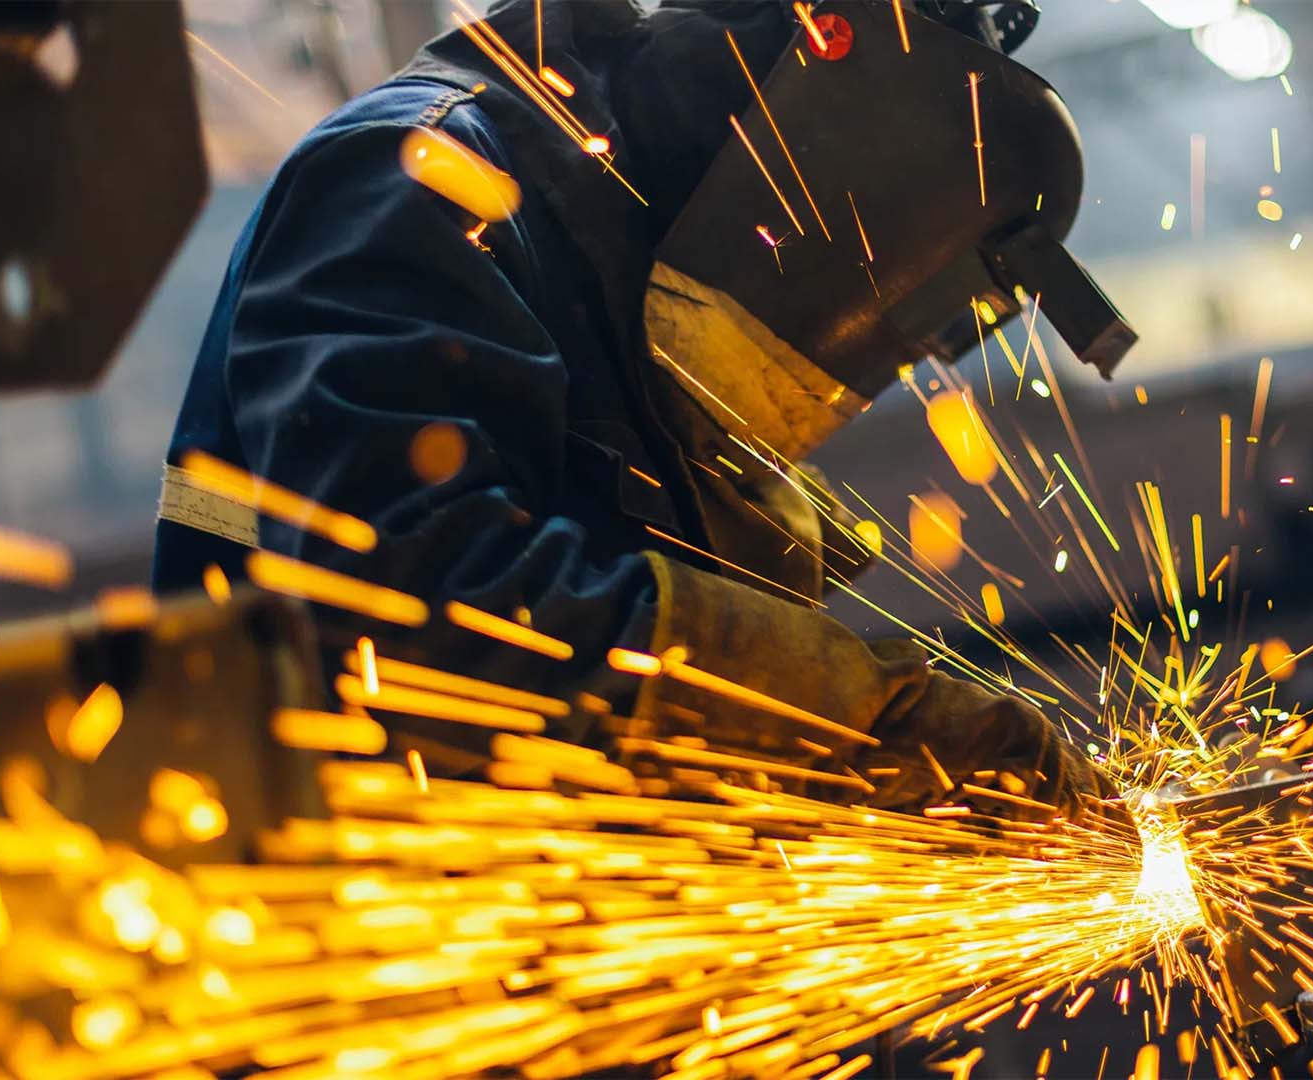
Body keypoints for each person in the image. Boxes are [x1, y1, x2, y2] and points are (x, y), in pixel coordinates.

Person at [154, 0, 1133, 825]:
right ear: (820, 61)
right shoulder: (422, 177)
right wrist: (865, 728)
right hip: (349, 920)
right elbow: (412, 610)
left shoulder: (637, 256)